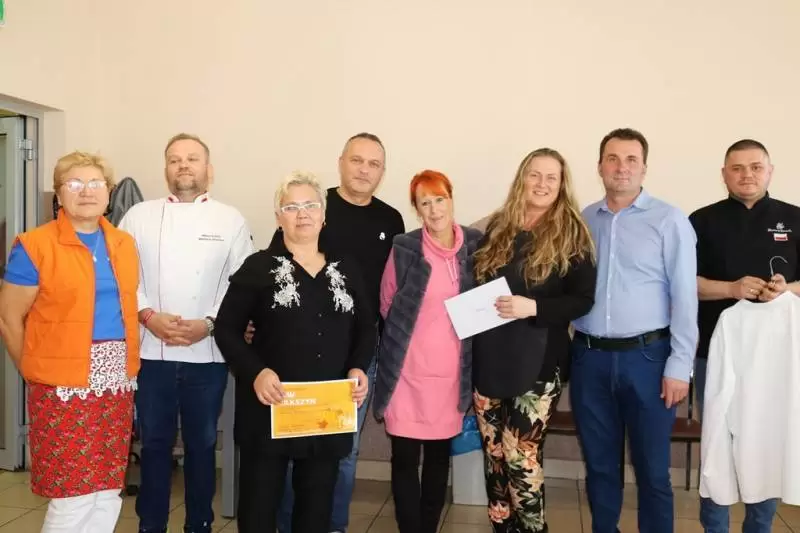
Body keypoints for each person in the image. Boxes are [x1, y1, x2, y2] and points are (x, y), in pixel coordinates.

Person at [214, 171, 376, 533]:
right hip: (270, 407)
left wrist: (358, 368)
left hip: (325, 410)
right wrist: (256, 372)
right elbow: (226, 329)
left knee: (315, 510)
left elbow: (367, 326)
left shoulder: (347, 267)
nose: (302, 213)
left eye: (310, 205)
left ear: (323, 215)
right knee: (259, 509)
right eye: (291, 207)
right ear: (278, 217)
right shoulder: (258, 267)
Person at [118, 133, 255, 533]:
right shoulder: (139, 216)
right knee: (154, 445)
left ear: (208, 169)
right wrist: (147, 315)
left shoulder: (230, 219)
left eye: (192, 158)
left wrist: (210, 323)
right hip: (152, 353)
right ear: (166, 169)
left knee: (202, 446)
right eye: (175, 159)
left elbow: (241, 284)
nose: (183, 165)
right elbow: (123, 275)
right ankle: (151, 525)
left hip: (207, 355)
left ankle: (200, 524)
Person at [269, 133, 405, 533]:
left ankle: (334, 527)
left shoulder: (391, 220)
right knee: (295, 445)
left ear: (382, 172)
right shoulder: (313, 206)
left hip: (360, 354)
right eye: (357, 160)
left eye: (374, 164)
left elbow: (392, 290)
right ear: (341, 162)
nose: (364, 170)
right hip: (301, 351)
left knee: (345, 450)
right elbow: (275, 273)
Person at [0, 151, 140, 532]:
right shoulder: (34, 245)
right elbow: (9, 319)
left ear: (109, 192)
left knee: (107, 491)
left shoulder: (123, 244)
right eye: (74, 183)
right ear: (59, 194)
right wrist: (34, 371)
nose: (86, 191)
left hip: (116, 381)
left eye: (95, 183)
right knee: (72, 494)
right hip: (61, 387)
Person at [571, 128, 698, 533]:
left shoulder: (669, 219)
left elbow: (685, 297)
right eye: (612, 158)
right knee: (599, 466)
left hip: (649, 360)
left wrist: (680, 365)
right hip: (590, 359)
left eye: (631, 159)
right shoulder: (584, 220)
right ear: (599, 166)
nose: (621, 167)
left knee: (653, 471)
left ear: (644, 168)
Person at [471, 148, 596, 533]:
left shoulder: (573, 234)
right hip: (490, 357)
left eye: (551, 177)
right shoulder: (497, 226)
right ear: (522, 179)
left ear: (562, 185)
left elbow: (582, 300)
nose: (542, 184)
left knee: (520, 456)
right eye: (535, 175)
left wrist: (534, 307)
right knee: (494, 455)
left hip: (541, 362)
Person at [690, 139, 800, 533]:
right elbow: (684, 284)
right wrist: (732, 289)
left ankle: (759, 525)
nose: (747, 175)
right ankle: (714, 527)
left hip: (776, 359)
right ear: (724, 174)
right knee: (716, 441)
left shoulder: (795, 218)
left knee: (766, 442)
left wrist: (787, 290)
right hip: (714, 353)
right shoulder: (701, 221)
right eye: (737, 168)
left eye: (755, 167)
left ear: (770, 171)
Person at [375, 170, 482, 533]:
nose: (434, 209)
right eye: (425, 203)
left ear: (451, 199)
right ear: (417, 209)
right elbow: (387, 302)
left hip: (452, 373)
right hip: (406, 372)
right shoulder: (405, 247)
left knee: (438, 458)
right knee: (405, 458)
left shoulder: (474, 244)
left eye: (440, 199)